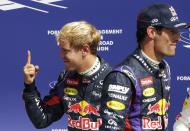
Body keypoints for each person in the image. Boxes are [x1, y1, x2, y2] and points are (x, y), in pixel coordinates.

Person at [99, 3, 190, 131]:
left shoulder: (164, 67)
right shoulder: (123, 75)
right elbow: (111, 128)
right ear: (152, 32)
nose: (178, 38)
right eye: (172, 31)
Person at [23, 21, 112, 130]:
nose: (61, 55)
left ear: (84, 50)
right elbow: (42, 120)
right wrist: (30, 86)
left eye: (65, 51)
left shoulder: (114, 80)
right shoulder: (66, 78)